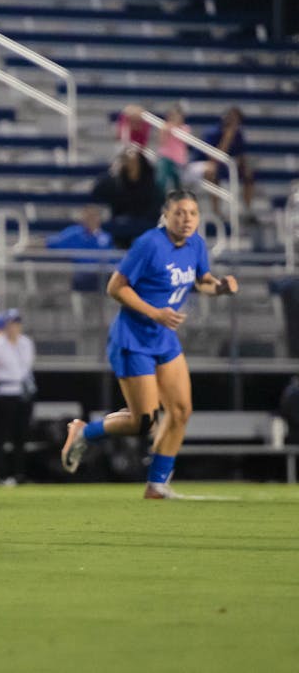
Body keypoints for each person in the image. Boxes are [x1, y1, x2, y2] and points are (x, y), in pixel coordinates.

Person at [60, 190, 239, 498]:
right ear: (166, 215)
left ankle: (157, 484)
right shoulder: (149, 244)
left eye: (192, 213)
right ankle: (83, 432)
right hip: (134, 338)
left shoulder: (195, 243)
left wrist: (220, 287)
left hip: (164, 338)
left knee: (181, 410)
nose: (186, 219)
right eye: (180, 213)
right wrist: (155, 312)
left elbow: (201, 280)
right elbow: (115, 287)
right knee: (143, 421)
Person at [0, 309, 36, 486]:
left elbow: (27, 369)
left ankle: (18, 474)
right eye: (11, 323)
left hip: (22, 393)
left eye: (17, 323)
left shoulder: (26, 343)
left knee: (21, 436)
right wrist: (4, 378)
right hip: (3, 393)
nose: (14, 327)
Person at [188, 106, 254, 218]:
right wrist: (227, 138)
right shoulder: (212, 133)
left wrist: (245, 168)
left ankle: (247, 210)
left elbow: (241, 154)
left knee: (249, 176)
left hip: (224, 166)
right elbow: (214, 158)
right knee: (213, 173)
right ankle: (216, 210)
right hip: (204, 164)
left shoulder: (238, 135)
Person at [93, 147, 163, 249]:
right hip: (122, 224)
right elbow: (97, 191)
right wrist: (113, 171)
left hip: (146, 222)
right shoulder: (118, 183)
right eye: (128, 162)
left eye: (134, 162)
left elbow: (155, 208)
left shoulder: (151, 184)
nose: (131, 166)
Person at [46, 204, 113, 292]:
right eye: (88, 216)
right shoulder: (74, 233)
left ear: (98, 219)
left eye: (93, 216)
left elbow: (111, 259)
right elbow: (52, 243)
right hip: (82, 274)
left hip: (102, 276)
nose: (90, 220)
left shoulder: (106, 237)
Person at [156, 104, 190, 196]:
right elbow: (161, 142)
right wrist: (167, 129)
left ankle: (178, 203)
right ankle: (158, 201)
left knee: (178, 184)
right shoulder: (165, 126)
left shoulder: (185, 128)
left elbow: (185, 144)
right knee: (161, 181)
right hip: (166, 157)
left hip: (178, 160)